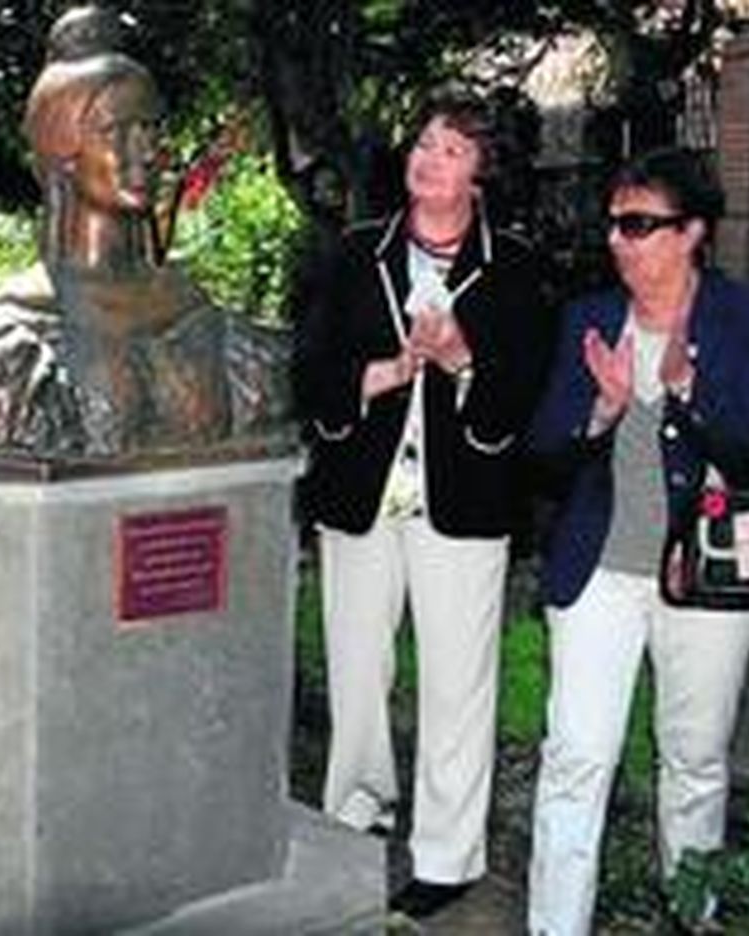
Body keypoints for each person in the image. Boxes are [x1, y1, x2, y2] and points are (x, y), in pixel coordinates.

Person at [292, 90, 557, 920]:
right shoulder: (354, 251)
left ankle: (447, 854)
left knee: (457, 683)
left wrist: (461, 357)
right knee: (357, 669)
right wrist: (381, 374)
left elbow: (528, 388)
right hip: (361, 499)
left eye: (450, 149)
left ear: (482, 175)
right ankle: (356, 808)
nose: (427, 157)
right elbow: (307, 364)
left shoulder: (512, 264)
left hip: (465, 503)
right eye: (424, 143)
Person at [526, 148, 749, 935]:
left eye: (638, 224)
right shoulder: (590, 321)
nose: (618, 240)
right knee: (574, 759)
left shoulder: (744, 320)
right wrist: (601, 414)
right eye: (614, 223)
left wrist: (688, 392)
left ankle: (689, 915)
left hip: (711, 578)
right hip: (599, 570)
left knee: (695, 766)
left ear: (692, 232)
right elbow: (543, 455)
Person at [0, 11, 288, 463]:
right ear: (62, 152)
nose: (146, 152)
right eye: (116, 132)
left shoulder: (208, 320)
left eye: (150, 128)